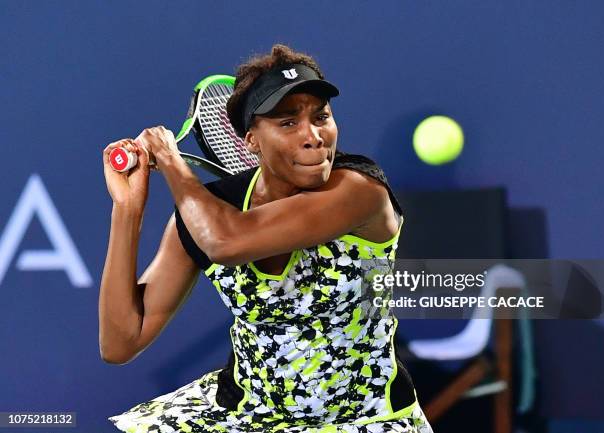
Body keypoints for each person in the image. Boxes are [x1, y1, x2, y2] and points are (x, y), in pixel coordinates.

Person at [100, 44, 434, 433]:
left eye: (321, 116)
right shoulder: (205, 211)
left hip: (366, 419)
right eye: (288, 122)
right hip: (247, 418)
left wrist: (171, 161)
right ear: (250, 139)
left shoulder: (359, 189)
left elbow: (225, 243)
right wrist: (127, 209)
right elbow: (120, 342)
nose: (314, 136)